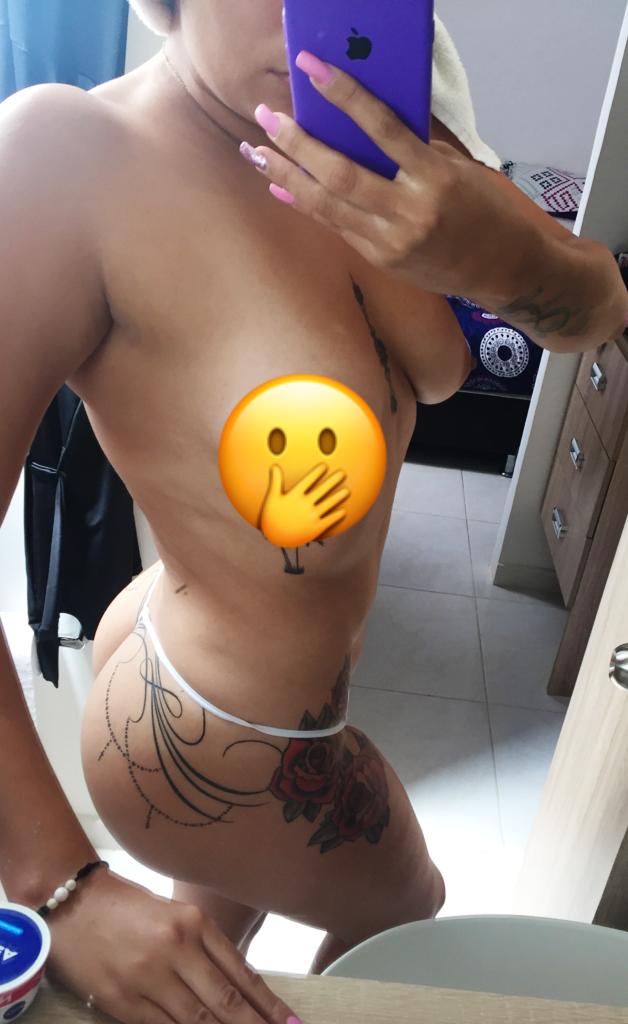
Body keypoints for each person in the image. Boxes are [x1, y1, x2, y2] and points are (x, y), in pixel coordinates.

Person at [1, 3, 626, 1024]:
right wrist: (60, 884)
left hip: (222, 657)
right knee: (411, 906)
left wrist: (504, 258)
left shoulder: (387, 127)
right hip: (212, 724)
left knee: (216, 939)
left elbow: (600, 306)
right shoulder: (69, 152)